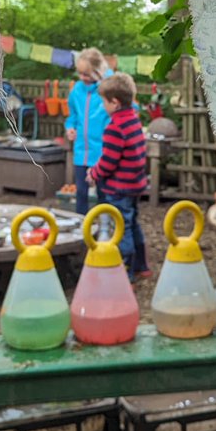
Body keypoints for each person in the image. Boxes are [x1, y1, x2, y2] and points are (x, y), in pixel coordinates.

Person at [86, 72, 149, 279]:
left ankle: (126, 273)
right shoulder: (133, 120)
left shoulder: (115, 127)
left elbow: (109, 161)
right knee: (133, 224)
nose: (103, 106)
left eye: (104, 101)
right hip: (135, 184)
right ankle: (142, 266)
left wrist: (94, 172)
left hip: (119, 187)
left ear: (114, 102)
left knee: (121, 228)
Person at [65, 47, 113, 216]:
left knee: (103, 193)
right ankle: (81, 226)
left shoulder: (108, 89)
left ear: (98, 71)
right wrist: (70, 127)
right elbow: (72, 116)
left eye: (86, 74)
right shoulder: (76, 90)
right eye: (80, 73)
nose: (82, 78)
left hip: (101, 152)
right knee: (81, 193)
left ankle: (106, 229)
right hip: (81, 152)